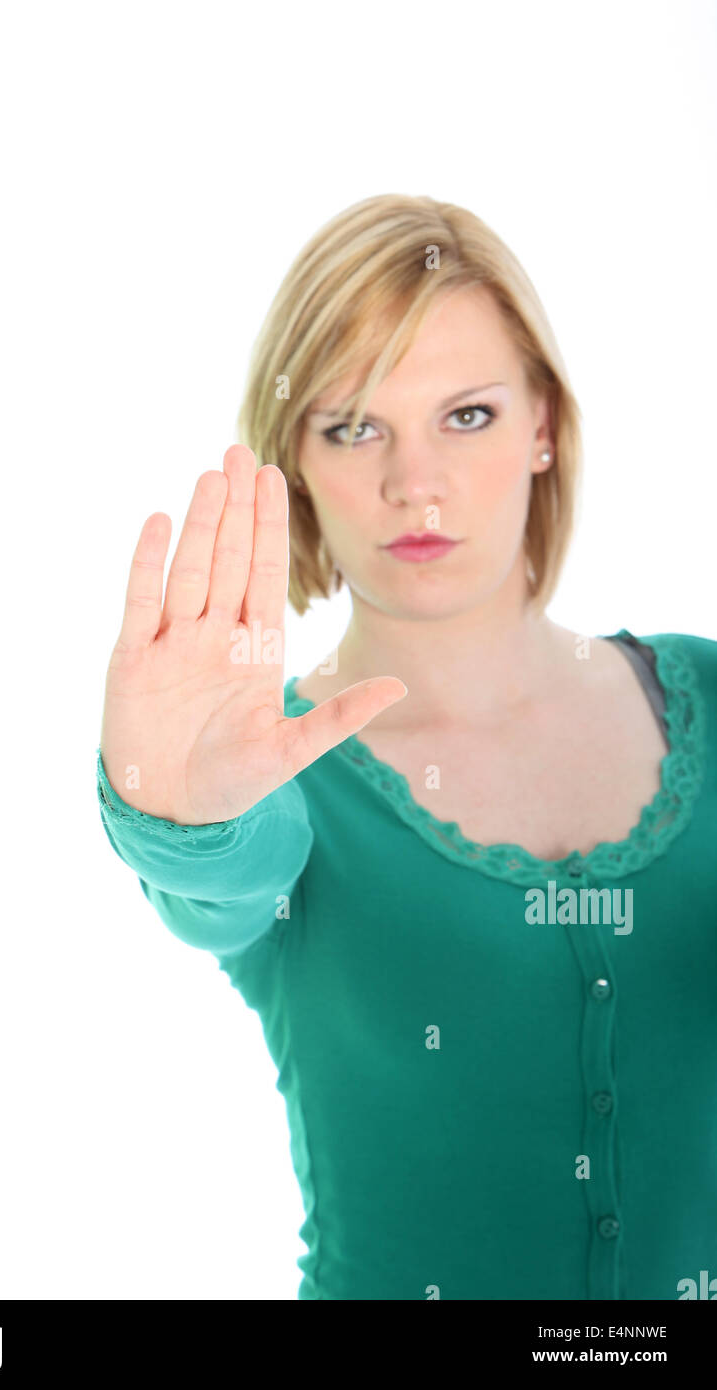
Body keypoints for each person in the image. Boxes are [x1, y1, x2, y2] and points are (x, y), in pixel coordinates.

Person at [96, 194, 716, 1300]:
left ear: (541, 425)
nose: (411, 483)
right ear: (293, 461)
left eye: (464, 415)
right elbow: (218, 878)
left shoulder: (707, 695)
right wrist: (173, 807)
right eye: (352, 426)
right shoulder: (277, 768)